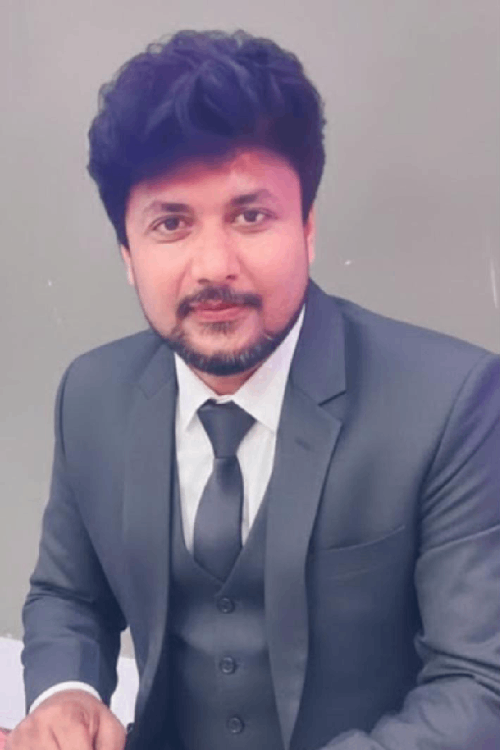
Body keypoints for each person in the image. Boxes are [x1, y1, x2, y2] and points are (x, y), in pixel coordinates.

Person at [7, 29, 500, 750]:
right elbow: (67, 595)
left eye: (250, 215)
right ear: (127, 254)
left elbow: (479, 682)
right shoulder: (91, 393)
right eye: (171, 223)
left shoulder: (453, 401)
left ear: (308, 227)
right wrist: (66, 694)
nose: (214, 265)